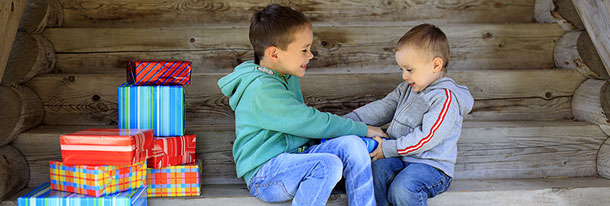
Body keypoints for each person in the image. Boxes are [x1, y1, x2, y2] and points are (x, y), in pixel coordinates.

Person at [217, 4, 387, 206]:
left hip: (298, 159)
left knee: (354, 146)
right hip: (265, 175)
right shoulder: (261, 90)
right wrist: (363, 129)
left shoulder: (285, 75)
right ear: (274, 54)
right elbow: (309, 121)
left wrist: (357, 135)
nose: (311, 55)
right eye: (304, 50)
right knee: (328, 165)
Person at [343, 24, 474, 206]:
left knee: (403, 187)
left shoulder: (445, 98)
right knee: (376, 169)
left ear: (436, 65)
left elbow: (427, 137)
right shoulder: (407, 88)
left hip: (431, 167)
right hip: (401, 159)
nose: (404, 76)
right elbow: (383, 108)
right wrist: (344, 124)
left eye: (409, 69)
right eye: (402, 69)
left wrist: (390, 148)